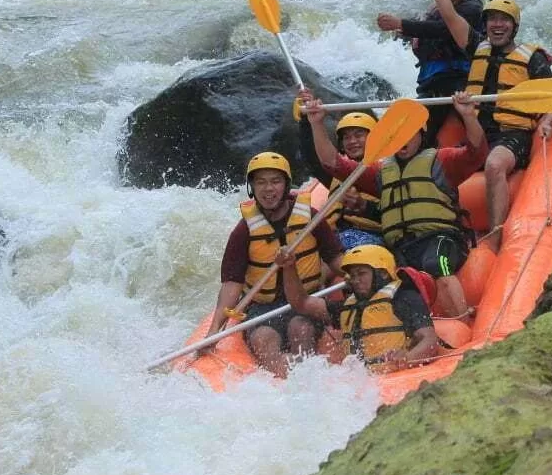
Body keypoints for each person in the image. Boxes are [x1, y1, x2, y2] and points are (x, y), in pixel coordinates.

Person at [416, 0, 552, 252]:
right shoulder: (475, 46)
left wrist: (547, 123)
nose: (497, 24)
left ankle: (496, 237)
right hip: (477, 133)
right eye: (492, 19)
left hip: (512, 136)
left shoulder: (533, 59)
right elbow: (448, 11)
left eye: (504, 20)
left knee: (494, 165)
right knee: (432, 167)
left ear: (514, 26)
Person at [305, 92, 487, 319]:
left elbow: (477, 153)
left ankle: (461, 320)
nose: (403, 139)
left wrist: (468, 115)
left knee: (436, 263)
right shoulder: (381, 172)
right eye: (397, 134)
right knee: (383, 281)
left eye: (409, 133)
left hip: (440, 238)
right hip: (400, 247)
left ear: (421, 134)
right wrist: (317, 124)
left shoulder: (442, 160)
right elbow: (332, 162)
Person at [202, 151, 344, 377]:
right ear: (252, 188)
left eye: (275, 181)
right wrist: (213, 331)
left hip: (304, 301)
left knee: (301, 329)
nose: (268, 189)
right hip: (261, 307)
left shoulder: (310, 217)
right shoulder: (244, 231)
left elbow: (336, 260)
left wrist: (362, 278)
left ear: (286, 185)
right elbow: (232, 285)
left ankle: (300, 378)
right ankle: (286, 377)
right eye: (261, 182)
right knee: (263, 338)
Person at [376, 0, 484, 145]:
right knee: (413, 135)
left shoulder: (472, 7)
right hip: (432, 85)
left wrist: (401, 23)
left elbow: (444, 29)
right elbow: (427, 37)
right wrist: (408, 35)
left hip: (462, 83)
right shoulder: (432, 11)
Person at [279, 244, 438, 372]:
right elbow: (301, 302)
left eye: (361, 274)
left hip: (395, 374)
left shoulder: (404, 298)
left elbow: (429, 341)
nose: (355, 280)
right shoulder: (348, 306)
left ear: (382, 274)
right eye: (352, 275)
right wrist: (289, 267)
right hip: (361, 380)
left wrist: (407, 358)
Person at [297, 96, 384, 249]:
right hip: (335, 235)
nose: (352, 141)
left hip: (371, 236)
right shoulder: (335, 174)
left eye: (358, 135)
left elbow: (395, 214)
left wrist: (364, 205)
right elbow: (312, 156)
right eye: (346, 137)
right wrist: (307, 120)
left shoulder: (387, 170)